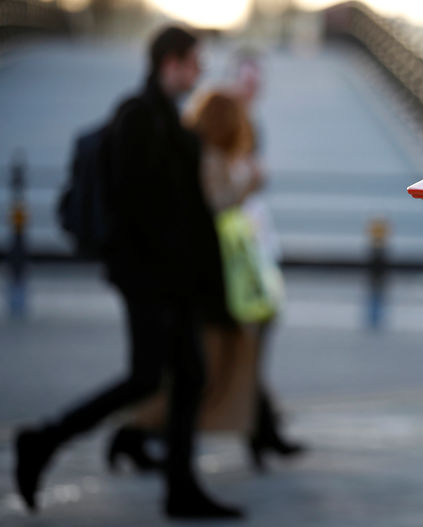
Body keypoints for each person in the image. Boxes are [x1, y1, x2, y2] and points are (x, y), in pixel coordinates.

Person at [13, 26, 243, 519]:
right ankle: (42, 440)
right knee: (148, 377)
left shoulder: (167, 121)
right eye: (195, 62)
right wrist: (162, 274)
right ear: (171, 62)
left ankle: (180, 489)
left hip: (171, 282)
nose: (200, 71)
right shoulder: (138, 118)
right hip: (152, 282)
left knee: (186, 375)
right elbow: (139, 208)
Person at [107, 87, 302, 473]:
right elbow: (215, 205)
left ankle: (257, 433)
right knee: (204, 367)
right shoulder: (206, 155)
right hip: (210, 283)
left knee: (213, 364)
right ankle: (140, 436)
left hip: (212, 281)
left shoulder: (200, 150)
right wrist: (249, 186)